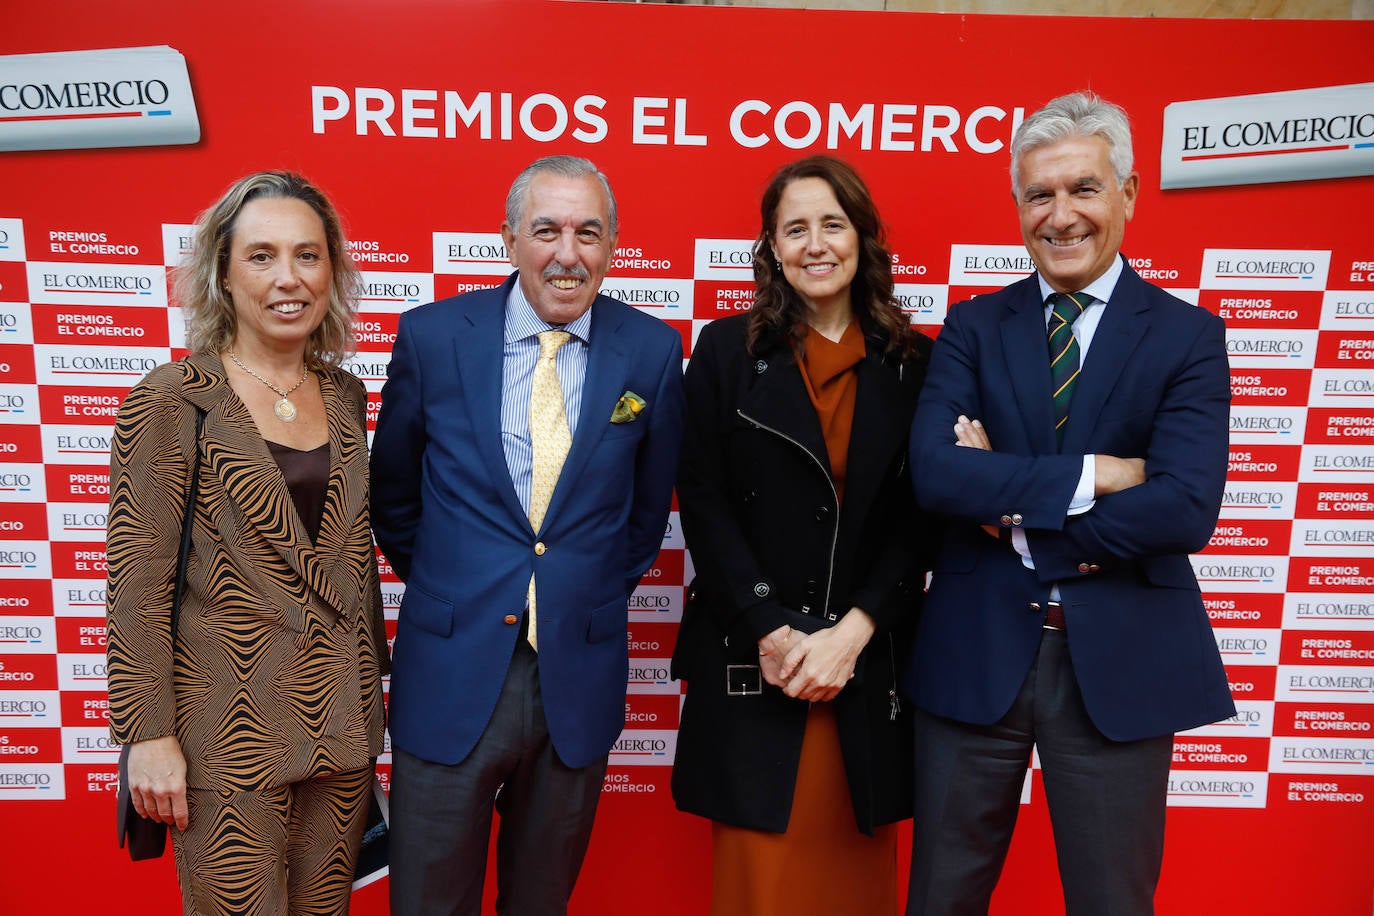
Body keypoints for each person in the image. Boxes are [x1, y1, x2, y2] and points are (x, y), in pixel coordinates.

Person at [903, 91, 1235, 915]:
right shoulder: (974, 327)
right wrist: (1103, 474)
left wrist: (1017, 520)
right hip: (974, 654)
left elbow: (1184, 508)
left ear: (1127, 194)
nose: (1061, 216)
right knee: (939, 897)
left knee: (1112, 903)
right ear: (1017, 206)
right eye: (1038, 195)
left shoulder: (1189, 335)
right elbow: (938, 476)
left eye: (1083, 188)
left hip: (1121, 665)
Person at [371, 154, 685, 916]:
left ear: (613, 245)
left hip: (574, 678)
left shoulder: (652, 350)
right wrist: (464, 585)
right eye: (546, 230)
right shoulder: (433, 337)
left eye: (588, 232)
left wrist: (575, 594)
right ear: (509, 238)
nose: (567, 253)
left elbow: (644, 518)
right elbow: (394, 499)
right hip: (450, 671)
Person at [106, 170, 389, 914]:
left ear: (333, 269)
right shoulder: (174, 397)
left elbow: (348, 565)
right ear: (223, 276)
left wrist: (372, 710)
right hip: (224, 732)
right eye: (261, 257)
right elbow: (137, 586)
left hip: (341, 732)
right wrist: (147, 735)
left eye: (308, 255)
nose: (288, 278)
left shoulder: (346, 395)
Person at [671, 155, 930, 916]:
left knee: (853, 884)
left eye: (832, 224)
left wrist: (851, 634)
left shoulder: (916, 365)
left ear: (862, 237)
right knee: (762, 888)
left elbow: (921, 521)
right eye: (795, 229)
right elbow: (704, 500)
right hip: (759, 671)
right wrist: (770, 629)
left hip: (863, 668)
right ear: (773, 248)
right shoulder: (724, 353)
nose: (816, 244)